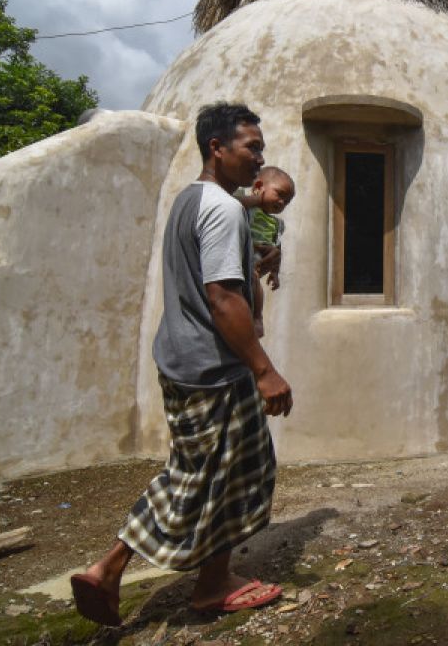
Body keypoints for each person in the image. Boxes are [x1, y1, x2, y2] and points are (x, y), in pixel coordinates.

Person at [70, 102, 293, 626]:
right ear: (217, 148)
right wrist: (264, 369)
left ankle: (180, 575)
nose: (260, 159)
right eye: (251, 147)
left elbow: (246, 213)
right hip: (214, 370)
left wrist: (264, 250)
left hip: (182, 361)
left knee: (221, 472)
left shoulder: (193, 199)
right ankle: (145, 573)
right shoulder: (221, 209)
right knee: (211, 476)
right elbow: (223, 298)